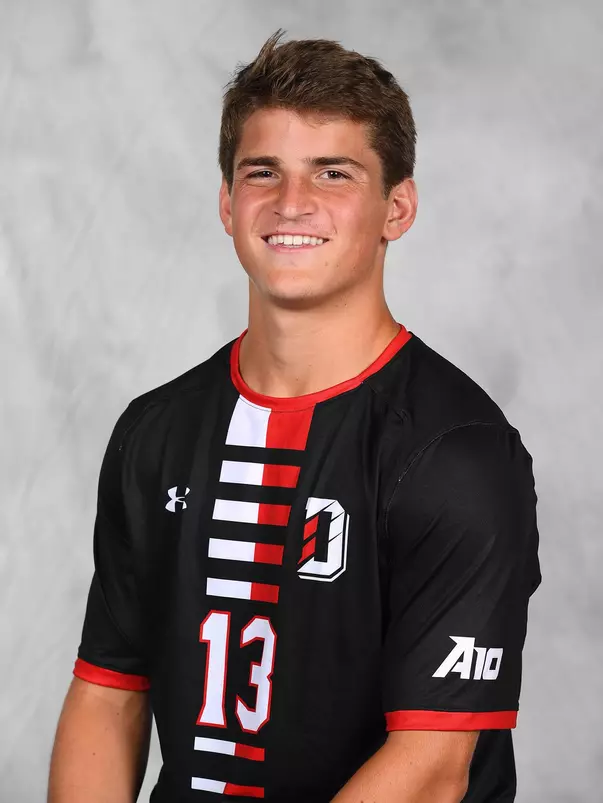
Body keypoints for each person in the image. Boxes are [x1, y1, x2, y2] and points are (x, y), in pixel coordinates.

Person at [47, 28, 541, 803]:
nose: (290, 202)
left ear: (396, 208)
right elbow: (108, 692)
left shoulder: (456, 454)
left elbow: (431, 767)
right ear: (226, 202)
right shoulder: (155, 431)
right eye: (262, 171)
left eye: (332, 172)